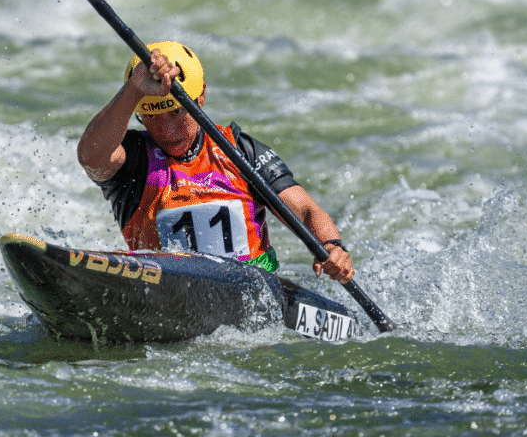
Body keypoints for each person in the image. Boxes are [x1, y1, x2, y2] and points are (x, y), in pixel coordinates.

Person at [77, 40, 354, 283]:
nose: (166, 131)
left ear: (201, 97)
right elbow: (91, 158)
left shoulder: (240, 151)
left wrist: (331, 247)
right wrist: (134, 90)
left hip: (252, 289)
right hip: (165, 290)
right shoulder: (132, 157)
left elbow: (305, 210)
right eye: (150, 116)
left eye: (176, 113)